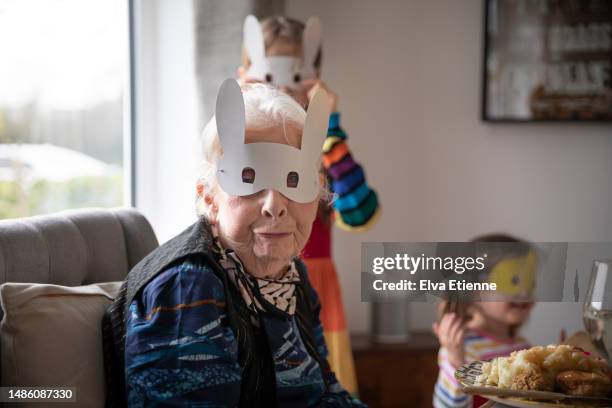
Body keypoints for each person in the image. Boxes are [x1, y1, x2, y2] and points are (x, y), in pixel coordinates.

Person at [102, 80, 366, 407]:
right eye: (249, 179)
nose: (275, 204)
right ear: (210, 197)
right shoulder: (187, 287)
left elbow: (323, 393)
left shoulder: (291, 276)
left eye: (294, 181)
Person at [238, 16, 380, 395]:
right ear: (247, 74)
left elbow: (358, 212)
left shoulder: (323, 149)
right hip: (252, 289)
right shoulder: (234, 146)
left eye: (295, 75)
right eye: (269, 74)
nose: (283, 87)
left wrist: (329, 126)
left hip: (315, 291)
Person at [432, 234, 537, 408]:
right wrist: (456, 364)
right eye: (514, 281)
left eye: (530, 282)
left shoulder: (523, 346)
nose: (525, 292)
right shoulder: (462, 349)